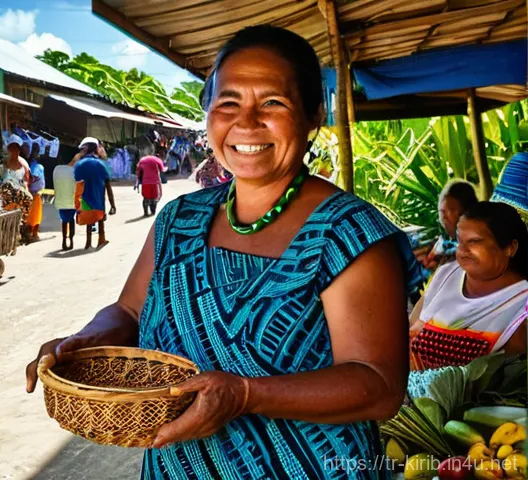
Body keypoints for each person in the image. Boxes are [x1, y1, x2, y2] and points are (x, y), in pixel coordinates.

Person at [27, 26, 424, 479]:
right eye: (228, 103)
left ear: (314, 115)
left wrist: (245, 394)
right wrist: (88, 340)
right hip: (178, 467)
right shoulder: (178, 219)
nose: (247, 122)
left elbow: (378, 386)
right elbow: (130, 311)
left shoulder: (349, 234)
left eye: (273, 103)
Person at [409, 202, 528, 370]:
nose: (463, 251)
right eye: (460, 241)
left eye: (474, 242)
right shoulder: (445, 274)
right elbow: (412, 327)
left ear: (510, 247)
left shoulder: (521, 307)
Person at [420, 180, 478, 271]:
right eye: (441, 211)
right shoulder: (442, 244)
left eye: (451, 210)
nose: (444, 217)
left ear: (467, 212)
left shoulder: (477, 246)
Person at [73, 138, 116, 250]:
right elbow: (108, 185)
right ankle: (101, 239)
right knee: (100, 220)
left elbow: (77, 183)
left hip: (85, 199)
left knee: (88, 220)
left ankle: (88, 242)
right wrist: (112, 204)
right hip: (99, 199)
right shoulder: (101, 164)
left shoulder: (78, 165)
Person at [53, 161, 76, 251]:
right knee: (71, 220)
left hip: (61, 200)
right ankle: (71, 240)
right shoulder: (73, 169)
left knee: (64, 221)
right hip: (71, 200)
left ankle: (63, 240)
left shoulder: (57, 169)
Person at [27, 143, 45, 242]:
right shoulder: (36, 166)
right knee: (35, 214)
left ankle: (32, 233)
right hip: (35, 193)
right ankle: (34, 233)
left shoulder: (33, 164)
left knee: (32, 214)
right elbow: (34, 176)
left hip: (34, 192)